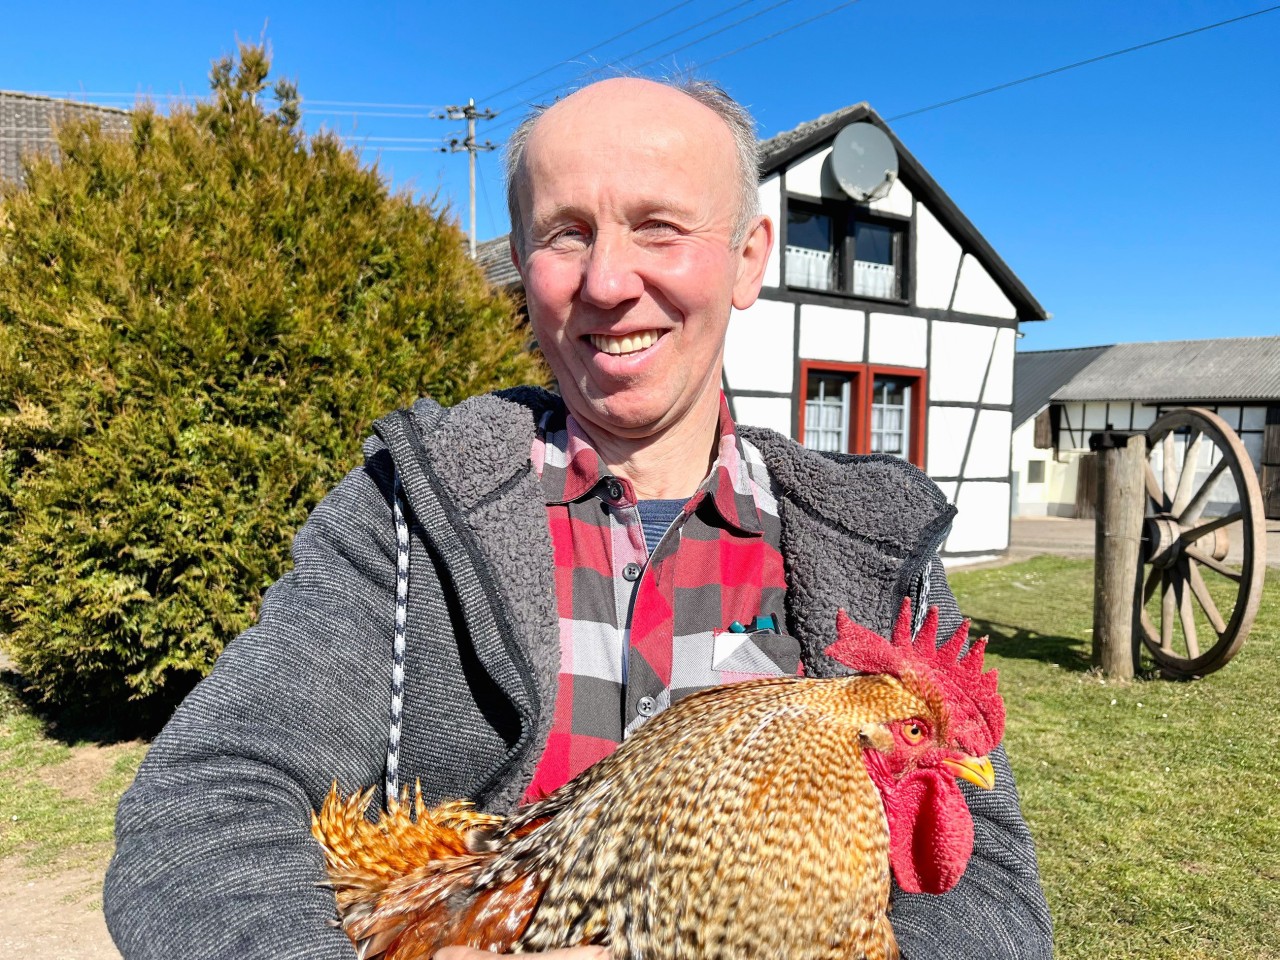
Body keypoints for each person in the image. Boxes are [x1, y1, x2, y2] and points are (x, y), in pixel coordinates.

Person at [104, 77, 1053, 960]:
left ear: (748, 258)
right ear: (522, 265)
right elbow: (207, 795)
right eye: (565, 233)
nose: (608, 282)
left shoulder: (872, 544)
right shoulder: (410, 511)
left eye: (659, 227)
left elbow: (987, 888)